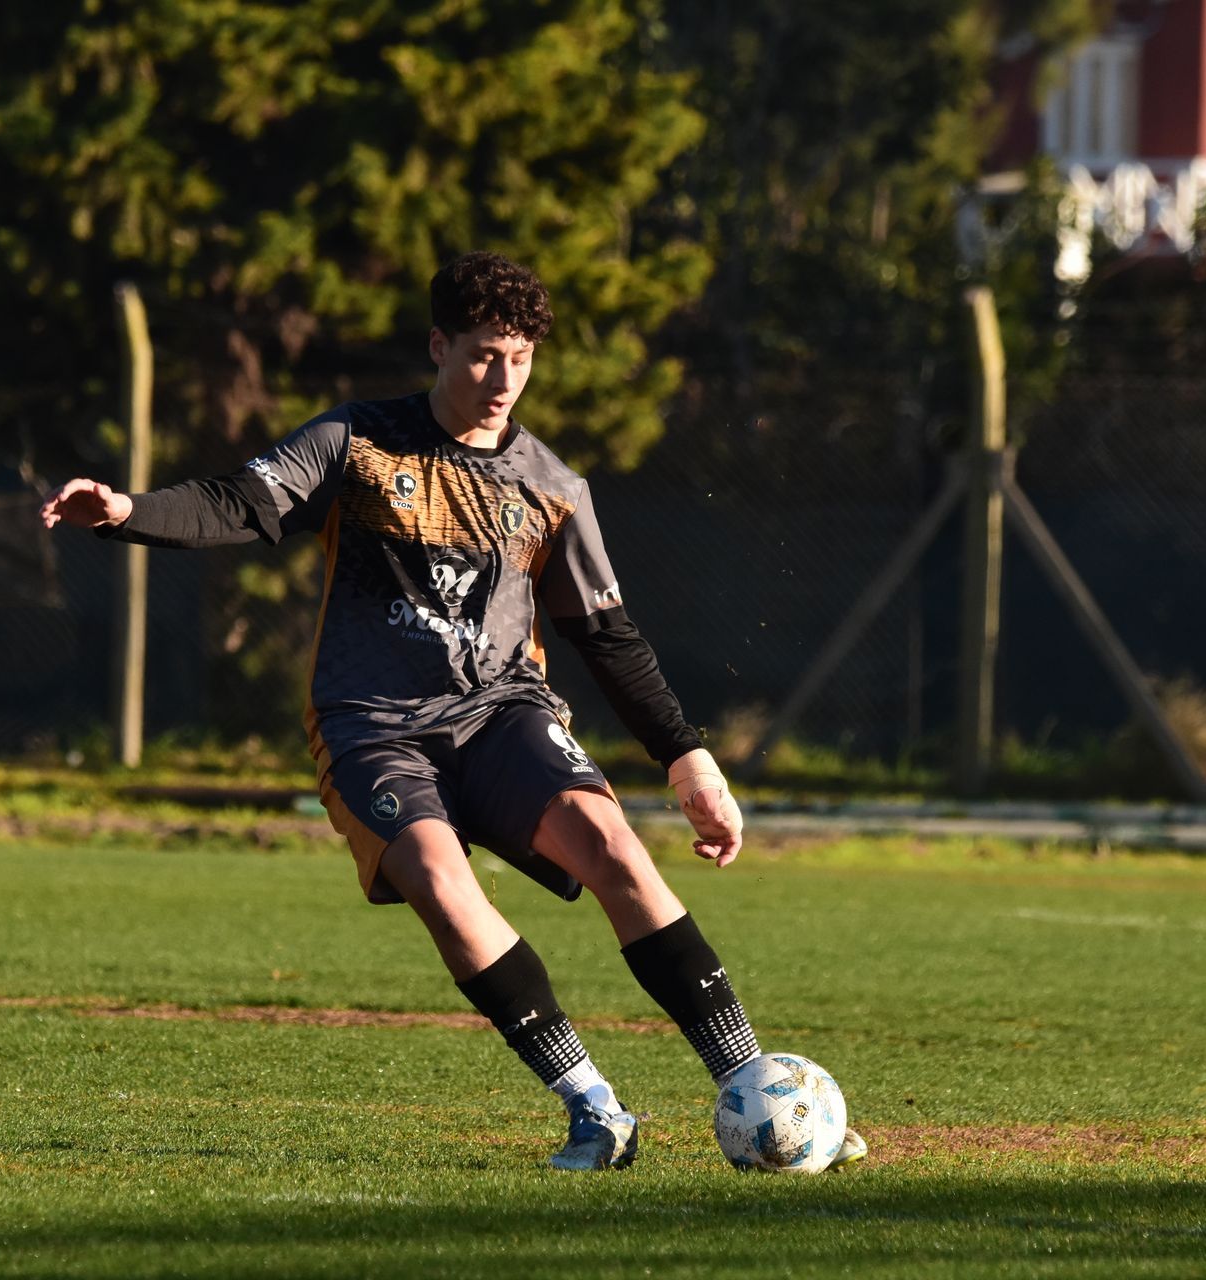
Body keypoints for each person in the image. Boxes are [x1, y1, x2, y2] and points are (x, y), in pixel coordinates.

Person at [42, 251, 863, 1172]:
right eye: (482, 355)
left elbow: (606, 635)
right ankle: (596, 1111)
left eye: (520, 358)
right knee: (439, 878)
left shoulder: (552, 487)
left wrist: (689, 761)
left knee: (614, 847)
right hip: (372, 725)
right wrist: (127, 510)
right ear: (439, 346)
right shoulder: (356, 441)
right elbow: (239, 502)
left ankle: (760, 1090)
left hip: (502, 712)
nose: (502, 379)